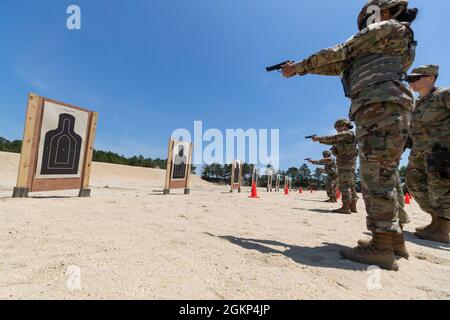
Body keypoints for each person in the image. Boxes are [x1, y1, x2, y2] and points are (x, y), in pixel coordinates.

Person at [280, 0, 418, 270]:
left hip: (378, 103)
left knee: (375, 174)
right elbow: (338, 64)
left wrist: (298, 67)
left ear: (383, 12)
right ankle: (394, 239)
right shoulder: (394, 37)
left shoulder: (386, 27)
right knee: (385, 174)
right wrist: (299, 69)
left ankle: (381, 246)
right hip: (387, 104)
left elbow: (340, 51)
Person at [405, 65, 450, 244]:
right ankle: (436, 222)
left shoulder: (443, 95)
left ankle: (442, 228)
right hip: (418, 153)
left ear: (431, 77)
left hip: (441, 151)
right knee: (413, 183)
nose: (411, 83)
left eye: (415, 78)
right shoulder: (416, 104)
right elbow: (411, 130)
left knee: (440, 187)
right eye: (409, 79)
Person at [311, 120, 359, 213]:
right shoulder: (347, 136)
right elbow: (333, 141)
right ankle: (353, 207)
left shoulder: (347, 134)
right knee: (351, 185)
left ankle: (345, 208)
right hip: (349, 163)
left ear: (344, 126)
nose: (337, 130)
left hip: (345, 163)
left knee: (345, 185)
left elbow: (334, 138)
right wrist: (320, 140)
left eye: (337, 127)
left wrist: (318, 139)